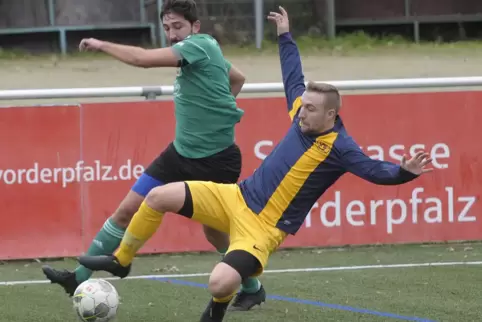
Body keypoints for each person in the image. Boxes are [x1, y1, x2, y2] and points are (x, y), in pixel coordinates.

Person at [77, 6, 434, 322]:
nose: (300, 111)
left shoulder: (340, 147)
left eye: (310, 108)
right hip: (237, 197)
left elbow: (375, 171)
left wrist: (404, 172)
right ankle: (121, 260)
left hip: (262, 228)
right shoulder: (300, 112)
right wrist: (285, 36)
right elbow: (293, 77)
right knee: (157, 197)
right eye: (302, 105)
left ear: (330, 114)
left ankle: (219, 307)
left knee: (218, 282)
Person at [41, 0, 267, 311]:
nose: (172, 34)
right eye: (167, 28)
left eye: (178, 27)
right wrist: (218, 105)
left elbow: (142, 59)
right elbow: (237, 77)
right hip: (179, 153)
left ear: (195, 27)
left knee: (215, 233)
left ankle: (253, 286)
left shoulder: (199, 45)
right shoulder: (201, 52)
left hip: (216, 160)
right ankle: (77, 278)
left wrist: (101, 43)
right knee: (126, 210)